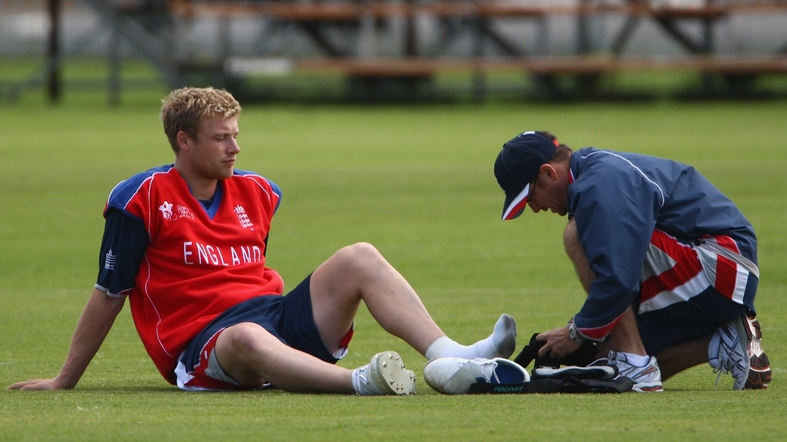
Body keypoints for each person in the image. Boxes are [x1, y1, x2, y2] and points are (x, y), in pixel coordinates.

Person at [8, 87, 517, 395]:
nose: (235, 147)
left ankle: (453, 356)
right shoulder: (139, 198)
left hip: (274, 317)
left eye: (236, 134)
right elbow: (109, 292)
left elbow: (250, 273)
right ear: (183, 141)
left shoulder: (258, 191)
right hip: (206, 344)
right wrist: (64, 379)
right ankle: (362, 382)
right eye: (221, 138)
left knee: (359, 256)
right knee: (247, 337)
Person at [492, 130, 771, 392]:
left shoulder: (601, 184)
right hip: (721, 269)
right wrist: (592, 331)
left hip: (724, 265)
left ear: (548, 172)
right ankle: (721, 342)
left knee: (575, 234)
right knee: (605, 358)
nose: (535, 208)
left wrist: (576, 332)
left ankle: (635, 361)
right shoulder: (594, 174)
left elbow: (619, 279)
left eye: (530, 197)